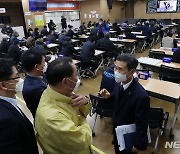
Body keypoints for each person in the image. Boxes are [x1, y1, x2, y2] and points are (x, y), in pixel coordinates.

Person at [35, 57, 92, 154]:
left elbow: (79, 109)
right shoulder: (53, 117)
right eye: (76, 74)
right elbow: (83, 141)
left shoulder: (58, 92)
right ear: (65, 81)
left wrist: (86, 102)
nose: (78, 78)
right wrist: (81, 117)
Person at [100, 54, 150, 154]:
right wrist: (109, 97)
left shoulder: (141, 96)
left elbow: (142, 123)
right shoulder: (119, 83)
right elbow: (118, 99)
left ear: (132, 72)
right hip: (117, 131)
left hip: (129, 136)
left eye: (120, 69)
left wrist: (137, 145)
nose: (116, 71)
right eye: (115, 67)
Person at [0, 58, 39, 154]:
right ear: (3, 85)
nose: (20, 80)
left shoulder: (9, 101)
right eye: (16, 77)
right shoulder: (5, 120)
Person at [21, 48, 48, 118]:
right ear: (37, 67)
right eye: (44, 62)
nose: (45, 64)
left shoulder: (38, 76)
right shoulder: (34, 89)